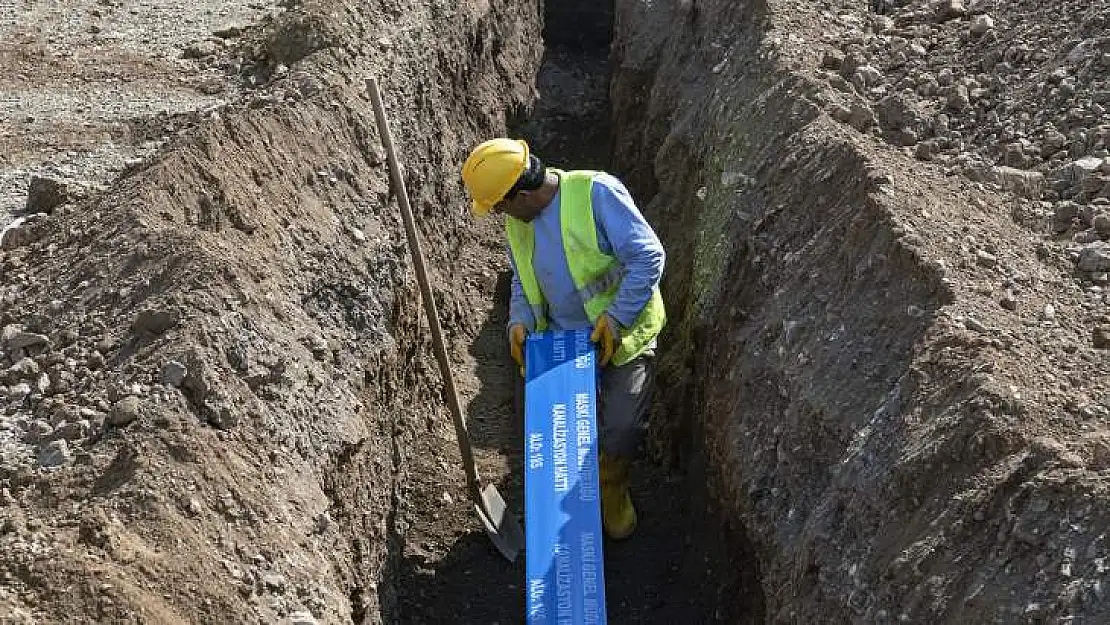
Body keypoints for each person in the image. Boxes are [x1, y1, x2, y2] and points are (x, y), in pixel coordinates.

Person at [460, 138, 666, 540]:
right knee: (547, 434)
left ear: (522, 194)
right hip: (560, 341)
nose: (500, 214)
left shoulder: (596, 193)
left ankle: (610, 486)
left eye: (501, 205)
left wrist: (617, 318)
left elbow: (648, 256)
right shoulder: (517, 220)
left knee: (621, 427)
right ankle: (565, 503)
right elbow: (521, 277)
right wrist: (518, 320)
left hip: (621, 336)